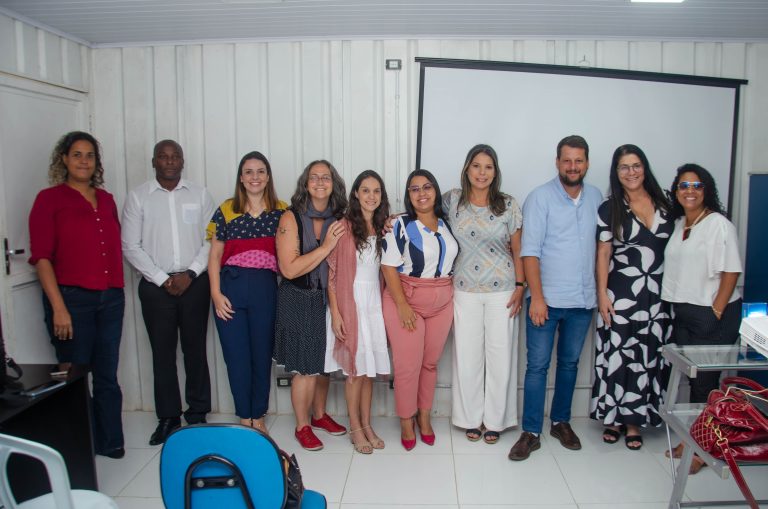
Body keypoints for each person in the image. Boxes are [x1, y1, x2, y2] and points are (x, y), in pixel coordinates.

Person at [28, 131, 126, 459]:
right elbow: (42, 258)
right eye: (77, 155)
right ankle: (78, 446)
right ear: (64, 159)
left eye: (89, 155)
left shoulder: (106, 200)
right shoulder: (49, 200)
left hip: (110, 298)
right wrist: (58, 307)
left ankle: (110, 441)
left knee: (107, 374)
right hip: (71, 300)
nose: (84, 161)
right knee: (73, 375)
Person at [508, 135, 602, 461]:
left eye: (579, 160)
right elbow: (530, 252)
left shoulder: (596, 198)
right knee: (537, 367)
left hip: (582, 301)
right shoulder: (540, 198)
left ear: (587, 163)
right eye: (567, 160)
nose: (573, 166)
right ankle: (531, 432)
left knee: (570, 364)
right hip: (545, 301)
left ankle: (560, 422)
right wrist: (537, 297)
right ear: (557, 162)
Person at [122, 140, 216, 445]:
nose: (170, 161)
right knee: (162, 354)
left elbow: (212, 239)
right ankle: (168, 417)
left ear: (182, 161)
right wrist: (163, 279)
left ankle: (197, 413)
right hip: (155, 287)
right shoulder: (138, 197)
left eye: (175, 156)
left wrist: (191, 273)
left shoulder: (200, 194)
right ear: (154, 162)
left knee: (195, 350)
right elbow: (130, 246)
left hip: (194, 283)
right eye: (163, 157)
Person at [589, 144, 673, 451]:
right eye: (624, 167)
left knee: (647, 355)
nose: (631, 172)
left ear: (644, 168)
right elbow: (603, 253)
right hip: (621, 293)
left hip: (658, 295)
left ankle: (635, 422)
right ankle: (613, 418)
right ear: (616, 172)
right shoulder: (609, 208)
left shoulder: (667, 204)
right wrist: (602, 294)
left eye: (636, 165)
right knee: (618, 354)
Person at [661, 163, 743, 474]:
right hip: (685, 311)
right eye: (684, 185)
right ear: (676, 191)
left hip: (712, 314)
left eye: (697, 185)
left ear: (706, 190)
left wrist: (716, 311)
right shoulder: (681, 224)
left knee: (705, 385)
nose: (690, 191)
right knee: (692, 381)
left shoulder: (718, 224)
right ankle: (691, 441)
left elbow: (731, 271)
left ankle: (702, 450)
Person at [444, 144, 524, 444]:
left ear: (495, 172)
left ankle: (496, 421)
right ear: (467, 169)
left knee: (500, 357)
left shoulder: (508, 204)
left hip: (502, 291)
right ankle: (470, 419)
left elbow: (518, 249)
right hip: (464, 289)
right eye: (476, 166)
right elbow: (421, 210)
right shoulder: (452, 200)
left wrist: (521, 286)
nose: (482, 172)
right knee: (468, 358)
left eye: (488, 167)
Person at [207, 151, 287, 433]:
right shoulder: (227, 209)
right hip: (231, 288)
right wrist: (216, 294)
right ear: (241, 178)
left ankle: (258, 414)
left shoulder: (281, 211)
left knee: (261, 354)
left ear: (268, 176)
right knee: (236, 356)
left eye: (260, 171)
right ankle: (244, 416)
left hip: (265, 288)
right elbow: (214, 256)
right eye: (249, 172)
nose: (255, 177)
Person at [381, 169, 459, 451]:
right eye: (414, 189)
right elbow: (388, 266)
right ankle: (406, 420)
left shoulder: (448, 223)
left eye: (427, 187)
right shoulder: (399, 224)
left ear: (435, 191)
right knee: (407, 365)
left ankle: (424, 417)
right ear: (408, 195)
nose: (421, 193)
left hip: (442, 301)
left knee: (429, 363)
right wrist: (402, 305)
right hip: (406, 298)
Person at [274, 160, 348, 451]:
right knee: (305, 368)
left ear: (334, 183)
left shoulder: (340, 217)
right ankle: (302, 426)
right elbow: (289, 269)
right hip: (299, 297)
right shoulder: (290, 217)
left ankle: (319, 415)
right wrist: (326, 247)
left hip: (329, 298)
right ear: (305, 184)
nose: (320, 182)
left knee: (324, 365)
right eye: (314, 177)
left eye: (325, 177)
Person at [325, 170, 391, 454]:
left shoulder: (382, 226)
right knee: (355, 371)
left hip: (373, 303)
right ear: (355, 193)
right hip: (350, 302)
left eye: (376, 191)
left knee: (368, 371)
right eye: (365, 190)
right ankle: (354, 427)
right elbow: (332, 275)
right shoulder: (343, 227)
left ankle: (367, 424)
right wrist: (336, 313)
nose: (371, 196)